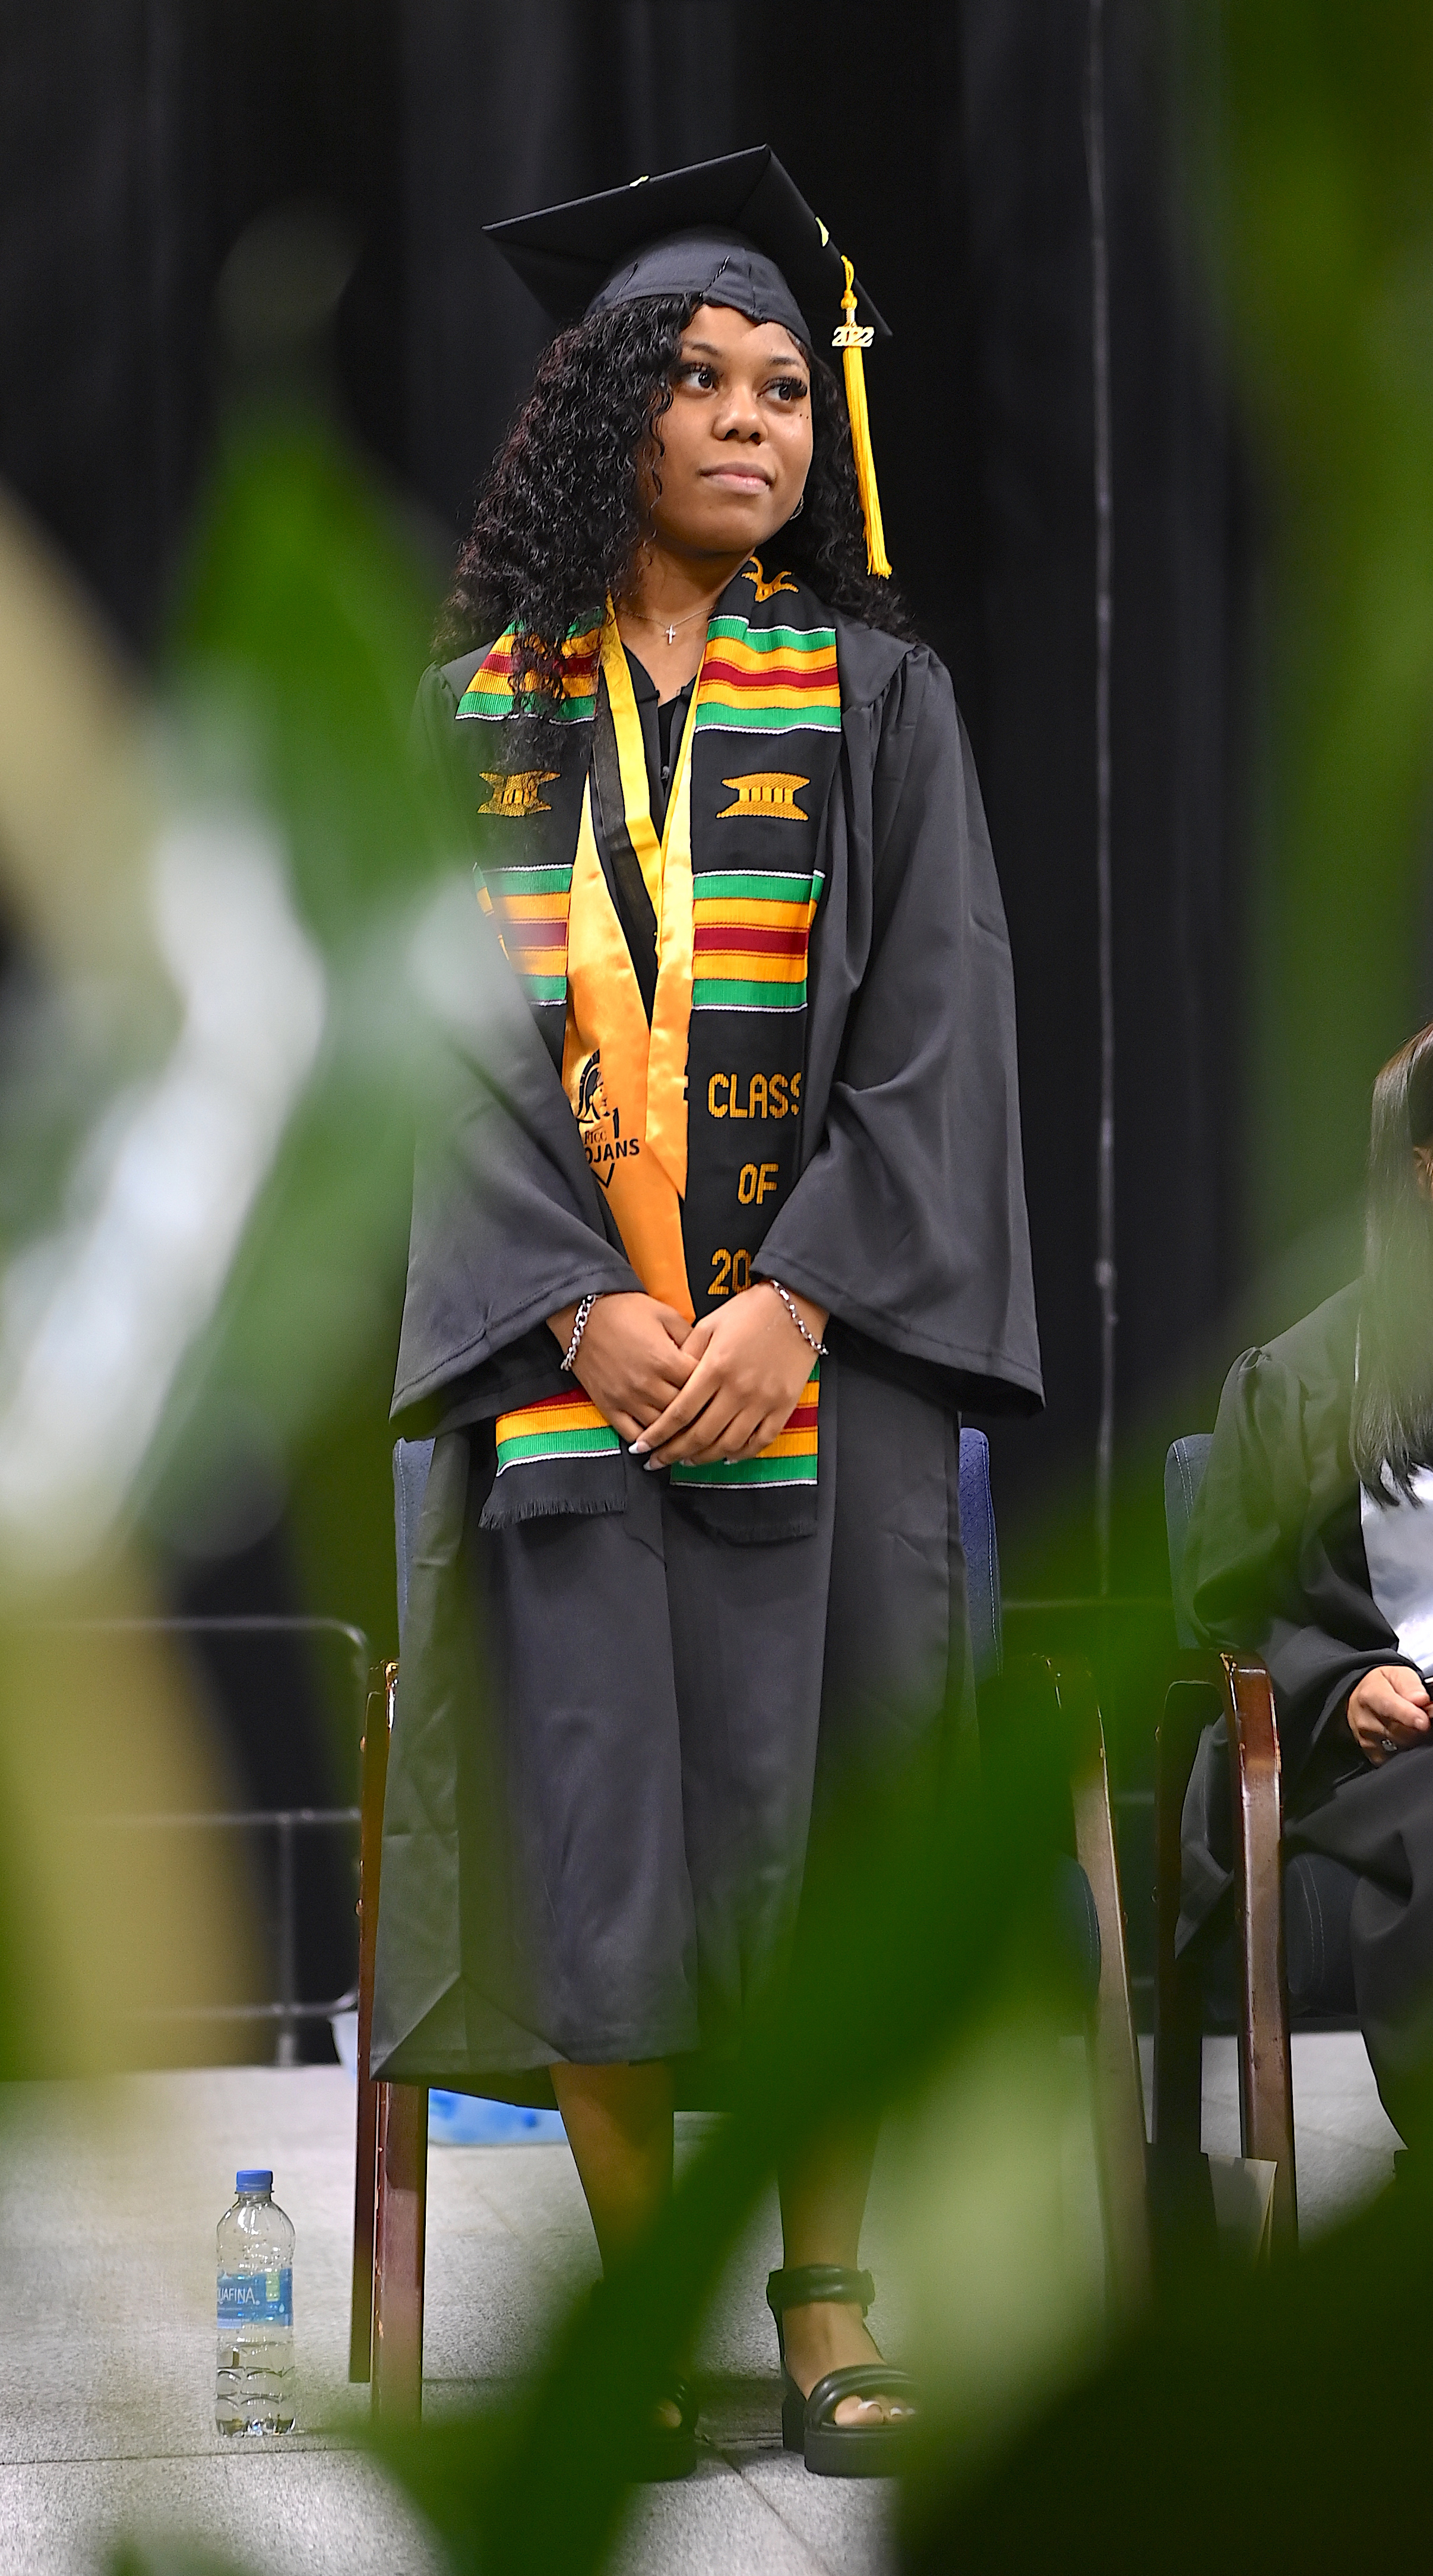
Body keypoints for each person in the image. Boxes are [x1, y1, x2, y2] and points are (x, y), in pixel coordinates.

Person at [371, 148, 1042, 2475]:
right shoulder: (467, 725)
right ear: (604, 415)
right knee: (605, 1840)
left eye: (784, 384)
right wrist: (570, 1305)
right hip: (584, 1385)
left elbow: (941, 1031)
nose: (758, 420)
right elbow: (429, 1072)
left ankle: (830, 2296)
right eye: (707, 381)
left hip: (807, 1380)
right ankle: (647, 2292)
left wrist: (803, 1295)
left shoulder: (880, 703)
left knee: (829, 1828)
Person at [1182, 1018, 1433, 2153]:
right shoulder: (1299, 1378)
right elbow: (1226, 1608)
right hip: (1373, 1752)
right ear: (1423, 1169)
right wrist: (1341, 1688)